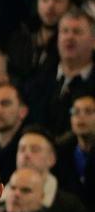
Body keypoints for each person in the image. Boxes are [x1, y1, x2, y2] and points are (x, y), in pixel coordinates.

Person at [24, 8, 95, 136]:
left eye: (77, 32)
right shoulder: (38, 79)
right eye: (64, 31)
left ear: (93, 41)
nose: (69, 37)